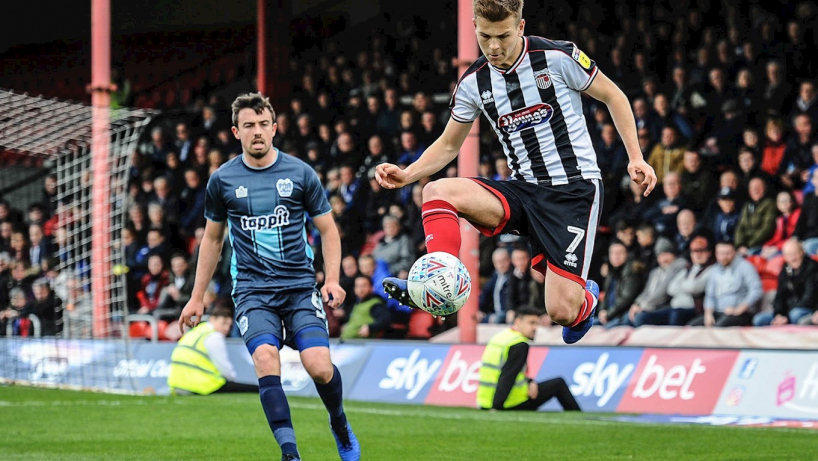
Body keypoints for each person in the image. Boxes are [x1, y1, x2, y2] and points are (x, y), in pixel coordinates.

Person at [376, 0, 657, 344]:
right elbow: (449, 145)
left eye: (503, 36)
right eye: (485, 36)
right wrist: (408, 173)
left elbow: (614, 96)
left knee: (561, 313)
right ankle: (438, 278)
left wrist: (636, 157)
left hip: (573, 192)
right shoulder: (474, 82)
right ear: (475, 28)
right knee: (436, 191)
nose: (494, 46)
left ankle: (586, 299)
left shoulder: (557, 58)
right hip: (522, 190)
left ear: (520, 27)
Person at [178, 93, 360, 461]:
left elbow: (328, 230)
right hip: (252, 292)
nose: (257, 132)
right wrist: (197, 297)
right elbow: (212, 239)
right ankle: (290, 453)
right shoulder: (222, 180)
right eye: (249, 125)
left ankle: (339, 423)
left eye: (263, 125)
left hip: (298, 288)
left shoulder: (300, 174)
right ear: (236, 131)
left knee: (320, 368)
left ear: (274, 128)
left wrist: (333, 278)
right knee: (265, 359)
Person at [477, 306, 580, 411]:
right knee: (559, 383)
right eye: (531, 323)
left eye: (537, 323)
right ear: (518, 322)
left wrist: (530, 381)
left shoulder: (501, 337)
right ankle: (577, 417)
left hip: (484, 402)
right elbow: (508, 376)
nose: (535, 328)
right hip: (509, 402)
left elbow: (502, 371)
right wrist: (496, 407)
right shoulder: (519, 344)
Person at [168, 305, 259, 395]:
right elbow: (224, 366)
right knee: (254, 389)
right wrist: (233, 381)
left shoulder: (195, 332)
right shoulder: (214, 336)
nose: (226, 328)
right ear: (212, 319)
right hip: (202, 386)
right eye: (223, 323)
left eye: (229, 325)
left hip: (177, 385)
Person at [689, 240, 762, 327]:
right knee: (691, 327)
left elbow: (756, 290)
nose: (724, 257)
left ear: (734, 252)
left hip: (741, 313)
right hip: (718, 312)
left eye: (727, 253)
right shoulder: (714, 270)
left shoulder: (745, 267)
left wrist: (739, 309)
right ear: (716, 254)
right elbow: (710, 295)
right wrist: (708, 314)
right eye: (721, 254)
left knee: (719, 328)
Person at [753, 239, 817, 326]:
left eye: (795, 254)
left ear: (802, 252)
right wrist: (779, 314)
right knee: (759, 320)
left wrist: (786, 315)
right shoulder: (785, 270)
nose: (793, 258)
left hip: (805, 309)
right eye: (789, 255)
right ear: (785, 257)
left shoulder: (812, 267)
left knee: (795, 314)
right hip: (788, 311)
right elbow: (780, 296)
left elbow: (809, 297)